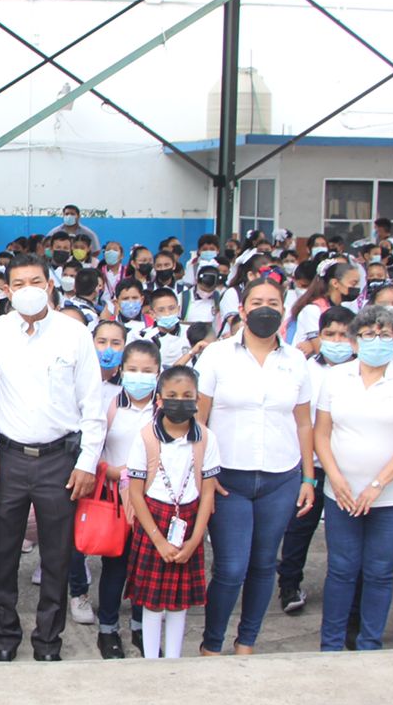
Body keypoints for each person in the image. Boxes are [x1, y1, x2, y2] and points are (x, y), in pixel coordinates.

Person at [0, 254, 105, 662]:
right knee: (3, 554)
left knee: (58, 556)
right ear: (7, 291)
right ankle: (4, 638)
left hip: (59, 459)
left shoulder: (73, 333)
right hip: (8, 457)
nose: (27, 290)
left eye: (34, 282)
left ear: (49, 285)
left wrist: (87, 462)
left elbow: (93, 404)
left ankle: (48, 642)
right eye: (18, 284)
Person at [195, 277, 315, 656]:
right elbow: (199, 419)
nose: (266, 309)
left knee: (264, 565)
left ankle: (246, 642)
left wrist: (308, 477)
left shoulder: (296, 360)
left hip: (281, 478)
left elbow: (303, 423)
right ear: (242, 310)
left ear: (284, 311)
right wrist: (202, 474)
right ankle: (212, 644)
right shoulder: (217, 355)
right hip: (227, 478)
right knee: (231, 568)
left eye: (273, 303)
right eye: (257, 302)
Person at [313, 304, 393, 652]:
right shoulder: (337, 377)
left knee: (380, 572)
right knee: (341, 569)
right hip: (342, 494)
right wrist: (335, 477)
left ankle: (370, 643)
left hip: (392, 496)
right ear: (355, 341)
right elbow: (322, 433)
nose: (376, 340)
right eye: (368, 334)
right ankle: (331, 644)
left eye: (384, 334)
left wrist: (378, 484)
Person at [124, 365, 220, 660]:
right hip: (153, 520)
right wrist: (158, 540)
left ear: (197, 400)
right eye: (173, 396)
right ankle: (151, 660)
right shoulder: (145, 438)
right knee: (152, 602)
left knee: (179, 603)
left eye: (188, 396)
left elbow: (208, 493)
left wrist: (194, 540)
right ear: (160, 400)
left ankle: (174, 659)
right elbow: (136, 494)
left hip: (189, 521)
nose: (180, 402)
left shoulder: (206, 438)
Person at [277, 305, 356, 615]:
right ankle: (289, 585)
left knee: (344, 534)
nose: (336, 341)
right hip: (310, 465)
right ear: (318, 336)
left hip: (347, 468)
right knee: (299, 528)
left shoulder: (361, 373)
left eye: (343, 335)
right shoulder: (306, 368)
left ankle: (345, 590)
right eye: (329, 334)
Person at [94, 338, 159, 657]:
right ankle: (107, 630)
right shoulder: (110, 404)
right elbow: (93, 448)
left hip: (154, 501)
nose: (139, 376)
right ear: (122, 369)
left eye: (147, 371)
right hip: (116, 501)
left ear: (158, 372)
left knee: (146, 566)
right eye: (133, 369)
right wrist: (109, 471)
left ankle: (141, 626)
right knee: (115, 567)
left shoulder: (164, 409)